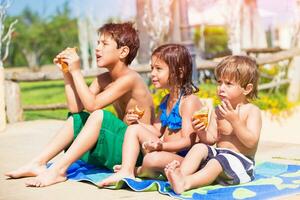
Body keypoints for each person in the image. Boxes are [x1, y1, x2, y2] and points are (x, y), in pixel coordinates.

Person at [5, 22, 155, 187]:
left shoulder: (130, 78)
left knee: (99, 115)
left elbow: (92, 105)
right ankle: (38, 163)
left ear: (123, 52)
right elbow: (76, 108)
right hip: (121, 146)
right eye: (98, 43)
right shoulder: (104, 79)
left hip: (136, 152)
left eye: (104, 44)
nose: (97, 48)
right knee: (78, 118)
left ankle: (58, 170)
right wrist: (67, 72)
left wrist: (77, 71)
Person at [98, 44, 216, 187]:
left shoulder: (189, 101)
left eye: (158, 69)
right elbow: (156, 130)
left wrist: (162, 146)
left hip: (186, 160)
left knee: (151, 160)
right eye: (152, 68)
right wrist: (137, 123)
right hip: (167, 154)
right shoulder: (166, 100)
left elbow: (188, 142)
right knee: (133, 129)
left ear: (179, 72)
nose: (152, 73)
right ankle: (126, 170)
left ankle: (138, 170)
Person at [164, 55, 262, 194]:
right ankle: (180, 175)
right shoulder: (217, 111)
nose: (221, 88)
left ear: (247, 89)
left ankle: (186, 183)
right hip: (220, 156)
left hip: (242, 165)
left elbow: (251, 142)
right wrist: (201, 131)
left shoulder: (251, 111)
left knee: (218, 161)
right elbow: (210, 140)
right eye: (219, 82)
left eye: (228, 84)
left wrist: (235, 121)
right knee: (199, 147)